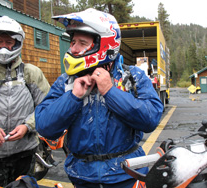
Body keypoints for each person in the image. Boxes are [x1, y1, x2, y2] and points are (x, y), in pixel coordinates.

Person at [35, 8, 163, 188]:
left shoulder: (132, 76)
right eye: (72, 42)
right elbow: (44, 126)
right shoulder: (66, 82)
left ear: (103, 44)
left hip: (126, 175)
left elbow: (151, 118)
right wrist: (73, 97)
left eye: (81, 42)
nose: (73, 48)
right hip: (82, 178)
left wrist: (110, 92)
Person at [0, 16, 50, 186]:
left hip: (25, 152)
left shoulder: (31, 73)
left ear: (17, 43)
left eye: (8, 41)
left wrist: (28, 126)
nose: (4, 46)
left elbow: (47, 106)